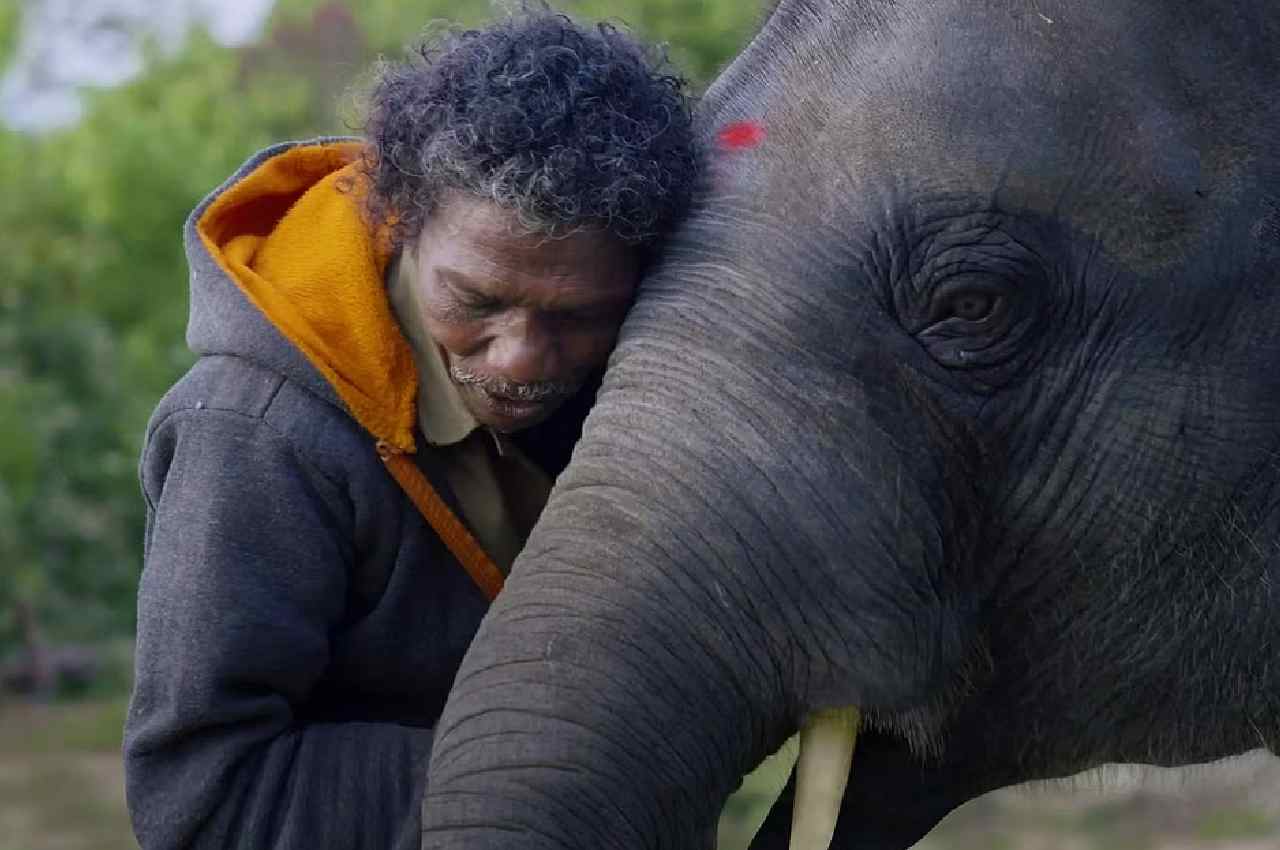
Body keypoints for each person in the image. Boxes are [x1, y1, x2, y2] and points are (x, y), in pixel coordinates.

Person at [123, 8, 697, 848]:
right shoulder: (252, 434)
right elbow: (201, 795)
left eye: (580, 315)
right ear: (400, 220)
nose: (518, 361)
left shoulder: (642, 361)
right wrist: (559, 775)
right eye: (475, 302)